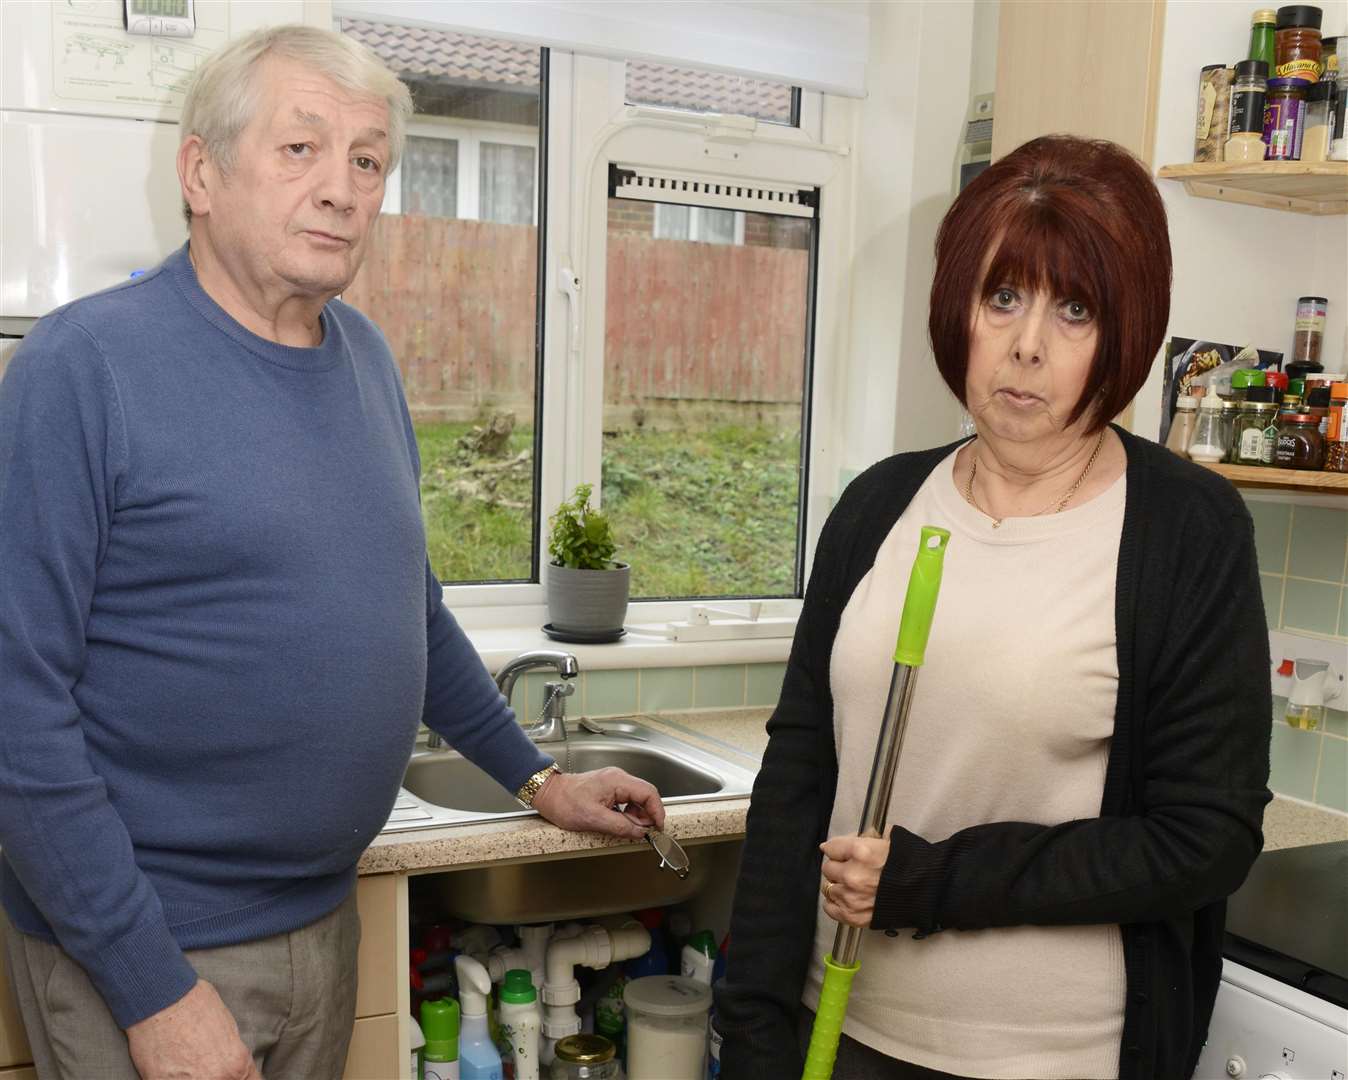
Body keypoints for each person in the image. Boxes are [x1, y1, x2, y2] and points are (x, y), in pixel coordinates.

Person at [0, 25, 664, 1080]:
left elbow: (413, 613)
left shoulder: (366, 359)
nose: (344, 189)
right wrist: (152, 988)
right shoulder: (81, 370)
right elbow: (15, 711)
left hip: (323, 920)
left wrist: (536, 781)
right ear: (201, 173)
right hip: (145, 944)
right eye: (301, 150)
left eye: (367, 161)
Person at [714, 135, 1272, 1080]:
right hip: (836, 1030)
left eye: (1075, 309)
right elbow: (800, 771)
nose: (1026, 344)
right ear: (958, 309)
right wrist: (754, 1027)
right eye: (1002, 296)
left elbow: (1205, 840)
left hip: (1051, 1058)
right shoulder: (880, 505)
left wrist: (939, 883)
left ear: (1124, 330)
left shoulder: (1188, 530)